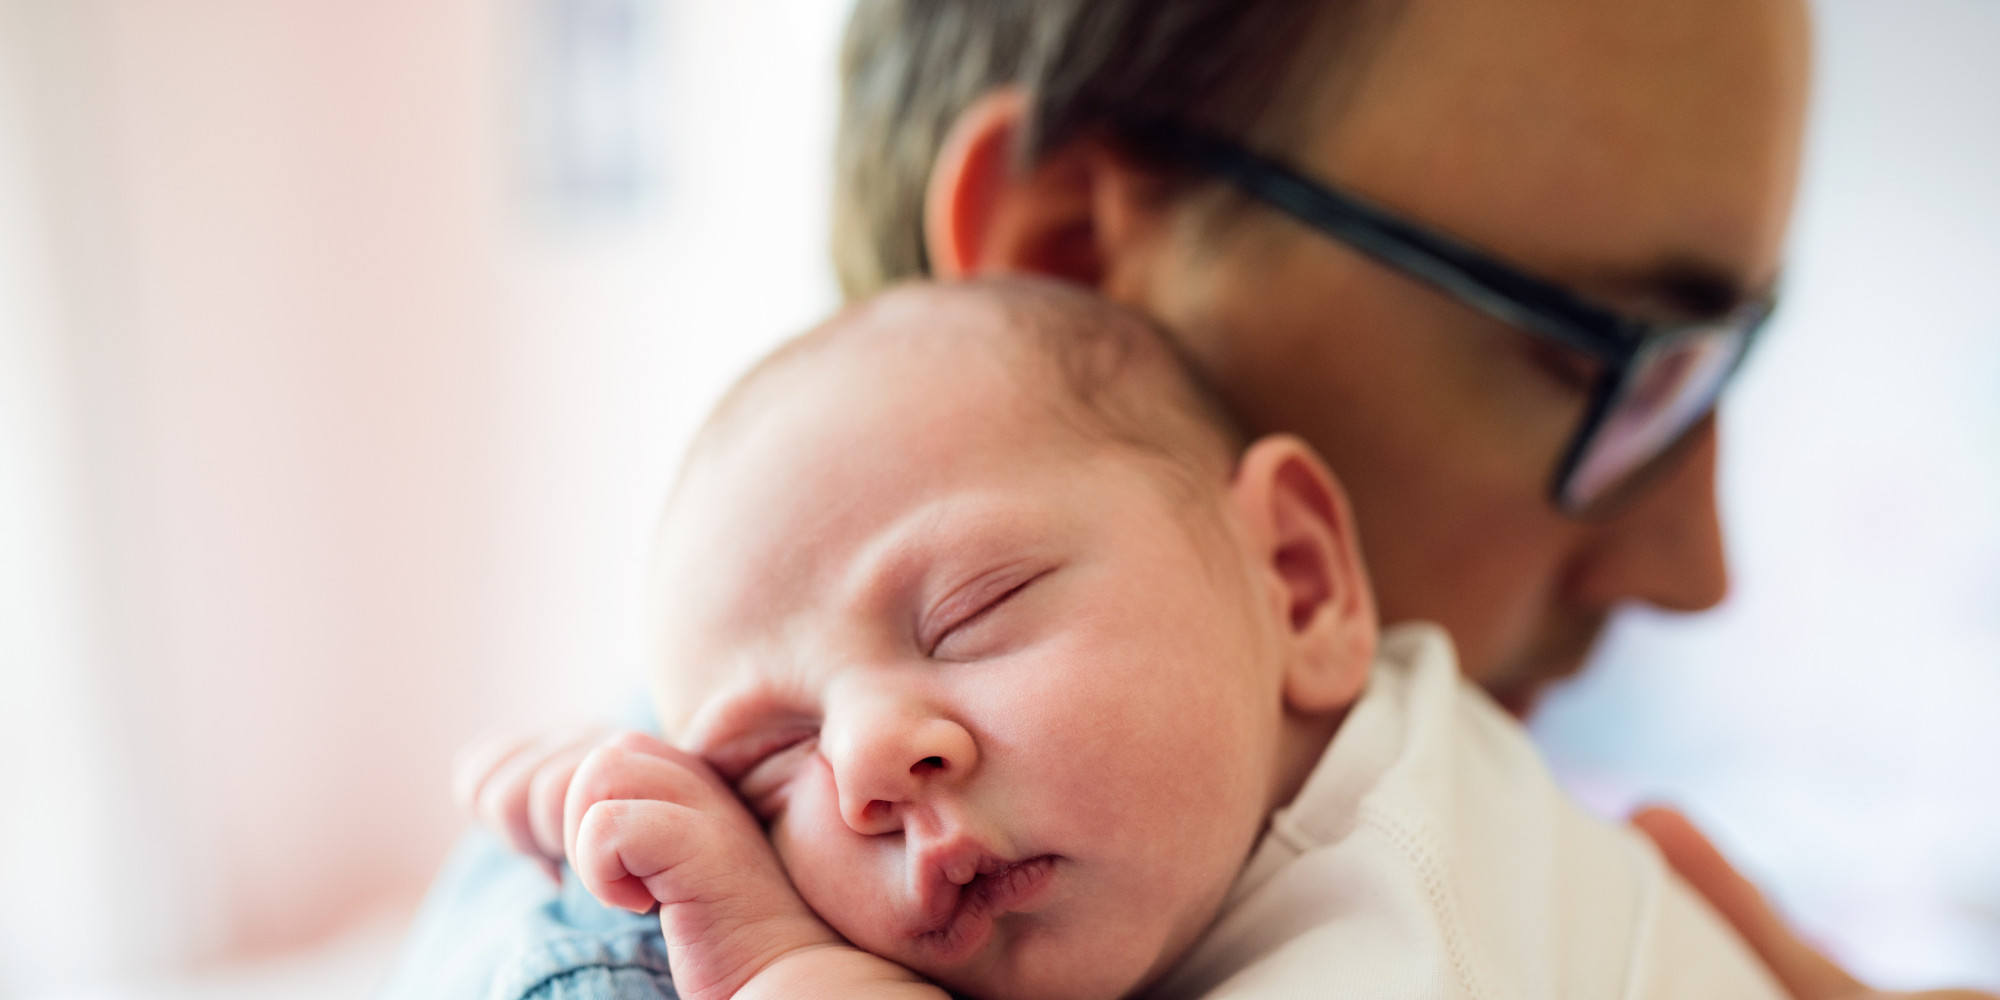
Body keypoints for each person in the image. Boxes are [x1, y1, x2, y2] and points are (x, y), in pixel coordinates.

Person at [384, 1, 1991, 997]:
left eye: (1704, 375)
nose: (1696, 564)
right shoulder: (627, 945)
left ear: (1298, 568)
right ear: (1076, 262)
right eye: (1594, 356)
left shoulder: (1399, 865)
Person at [541, 277, 1784, 1000]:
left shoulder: (1414, 909)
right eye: (767, 770)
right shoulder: (1250, 812)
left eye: (971, 613)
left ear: (1294, 581)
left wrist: (785, 969)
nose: (863, 762)